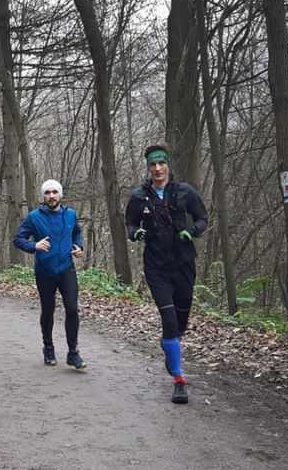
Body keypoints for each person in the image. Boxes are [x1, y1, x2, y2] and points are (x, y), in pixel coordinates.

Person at [125, 144, 208, 404]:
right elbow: (130, 223)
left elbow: (203, 218)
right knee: (169, 320)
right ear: (148, 168)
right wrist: (135, 233)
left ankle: (170, 345)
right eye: (152, 164)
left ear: (168, 165)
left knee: (181, 320)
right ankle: (179, 380)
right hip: (156, 266)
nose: (157, 168)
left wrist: (192, 231)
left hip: (184, 263)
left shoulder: (185, 192)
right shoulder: (139, 196)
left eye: (161, 163)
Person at [14, 179, 86, 370]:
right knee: (48, 310)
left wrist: (79, 247)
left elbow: (77, 234)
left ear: (60, 195)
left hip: (67, 269)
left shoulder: (70, 214)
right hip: (45, 272)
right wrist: (34, 245)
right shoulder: (34, 217)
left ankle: (73, 353)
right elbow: (18, 239)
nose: (51, 196)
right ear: (43, 196)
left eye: (55, 192)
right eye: (48, 193)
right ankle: (48, 347)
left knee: (72, 308)